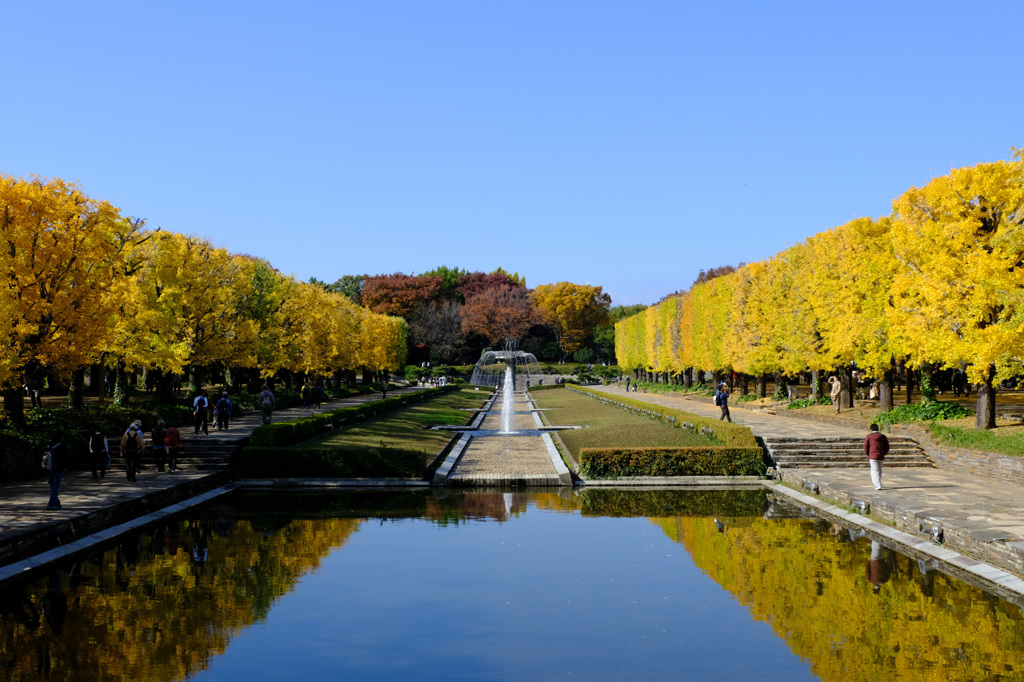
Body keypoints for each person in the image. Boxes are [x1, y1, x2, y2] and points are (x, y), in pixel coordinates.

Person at [864, 423, 889, 491]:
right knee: (879, 469)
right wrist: (884, 453)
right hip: (880, 455)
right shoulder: (883, 436)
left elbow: (865, 446)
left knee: (874, 470)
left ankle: (877, 485)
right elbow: (887, 446)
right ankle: (878, 482)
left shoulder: (869, 436)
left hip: (872, 455)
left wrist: (868, 453)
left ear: (871, 429)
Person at [46, 439, 69, 510]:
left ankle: (56, 502)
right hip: (58, 469)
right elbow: (65, 458)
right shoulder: (61, 446)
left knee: (53, 486)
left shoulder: (50, 445)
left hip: (50, 468)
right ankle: (52, 504)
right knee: (55, 487)